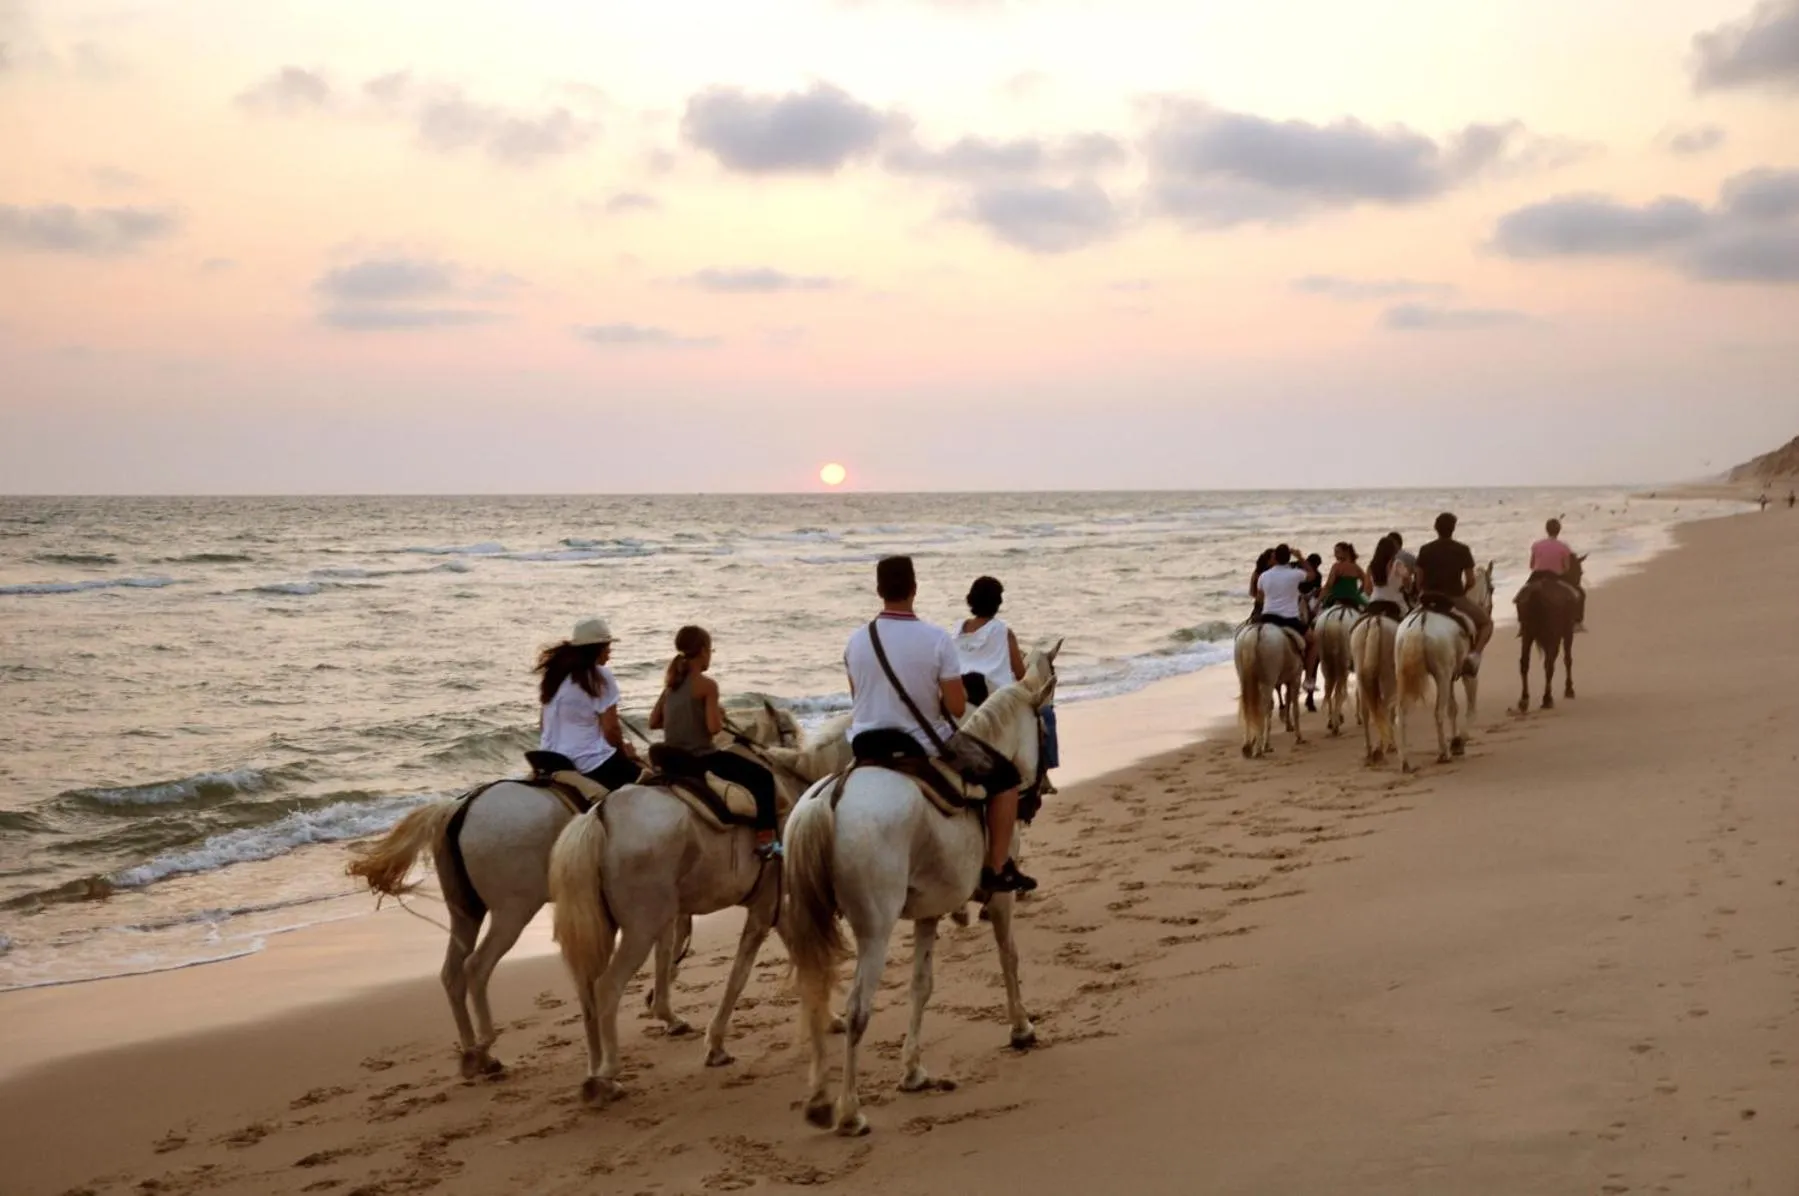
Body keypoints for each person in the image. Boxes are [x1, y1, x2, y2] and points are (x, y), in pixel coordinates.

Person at [845, 556, 1036, 894]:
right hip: (920, 743)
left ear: (878, 590)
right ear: (914, 589)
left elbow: (858, 697)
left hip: (864, 743)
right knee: (1006, 779)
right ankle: (996, 867)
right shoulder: (935, 638)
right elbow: (956, 706)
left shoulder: (856, 641)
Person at [649, 625, 782, 860]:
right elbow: (714, 729)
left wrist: (689, 716)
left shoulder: (671, 686)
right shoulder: (707, 685)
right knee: (763, 777)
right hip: (701, 758)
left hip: (673, 759)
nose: (710, 654)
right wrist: (715, 713)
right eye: (711, 650)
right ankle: (766, 841)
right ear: (702, 651)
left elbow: (654, 722)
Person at [537, 616, 643, 792]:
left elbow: (543, 724)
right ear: (598, 649)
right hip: (588, 763)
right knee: (646, 787)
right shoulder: (600, 676)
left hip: (547, 758)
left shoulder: (555, 676)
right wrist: (624, 753)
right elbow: (611, 730)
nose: (610, 652)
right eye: (608, 647)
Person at [1416, 512, 1493, 672]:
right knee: (1487, 623)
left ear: (1435, 528)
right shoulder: (1462, 549)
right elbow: (1471, 580)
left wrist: (1422, 593)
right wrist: (1462, 591)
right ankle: (1474, 656)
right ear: (1453, 529)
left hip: (1427, 598)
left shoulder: (1425, 549)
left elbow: (1419, 579)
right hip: (1454, 598)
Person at [952, 575, 1026, 708]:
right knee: (1044, 712)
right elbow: (1020, 674)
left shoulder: (958, 629)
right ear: (997, 602)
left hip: (958, 686)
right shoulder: (1002, 631)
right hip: (992, 696)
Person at [1254, 545, 1316, 678]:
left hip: (1267, 618)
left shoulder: (1264, 576)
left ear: (1274, 558)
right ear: (1289, 558)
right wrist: (1300, 557)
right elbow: (1312, 575)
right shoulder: (1296, 574)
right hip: (1289, 619)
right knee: (1313, 642)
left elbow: (1259, 599)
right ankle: (1309, 678)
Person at [1524, 518, 1586, 632]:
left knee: (1522, 596)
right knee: (1579, 594)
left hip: (1537, 575)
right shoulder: (1564, 547)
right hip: (1555, 576)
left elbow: (1531, 566)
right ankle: (1577, 622)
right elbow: (1566, 568)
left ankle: (1523, 623)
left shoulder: (1536, 545)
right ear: (1559, 530)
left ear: (1546, 530)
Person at [1362, 534, 1411, 619]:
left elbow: (1367, 589)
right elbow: (1408, 582)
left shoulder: (1371, 566)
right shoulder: (1397, 564)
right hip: (1395, 603)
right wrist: (1405, 588)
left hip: (1374, 602)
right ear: (1392, 550)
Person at [1320, 542, 1368, 610]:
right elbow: (1366, 581)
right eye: (1335, 552)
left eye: (1337, 552)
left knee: (1319, 616)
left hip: (1336, 598)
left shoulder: (1336, 566)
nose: (1335, 555)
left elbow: (1328, 585)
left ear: (1346, 552)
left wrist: (1318, 602)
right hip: (1353, 598)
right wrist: (1358, 593)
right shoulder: (1356, 567)